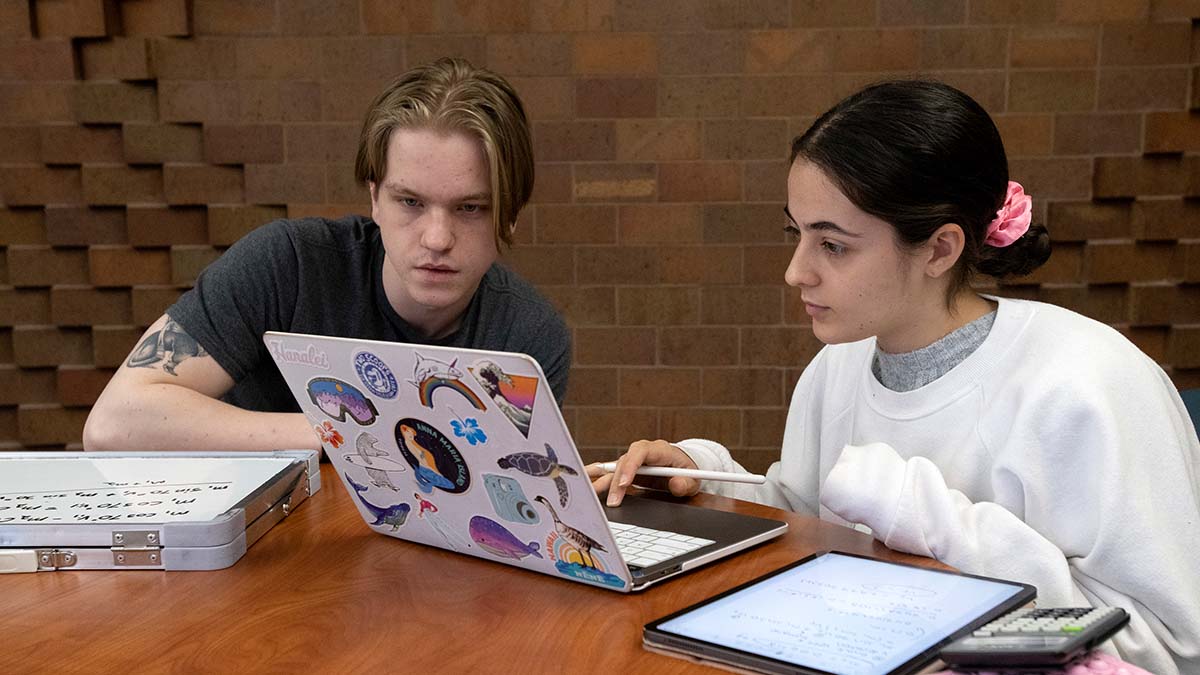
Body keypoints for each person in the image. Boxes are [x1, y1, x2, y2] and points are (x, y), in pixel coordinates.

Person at [590, 81, 1200, 674]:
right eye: (797, 234)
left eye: (833, 245)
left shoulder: (1088, 385)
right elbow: (814, 517)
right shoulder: (839, 365)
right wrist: (700, 479)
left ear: (939, 249)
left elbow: (1169, 649)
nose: (796, 272)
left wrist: (924, 512)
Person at [83, 57, 570, 453]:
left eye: (470, 208)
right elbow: (113, 425)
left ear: (510, 214)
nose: (437, 238)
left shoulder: (527, 340)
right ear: (374, 198)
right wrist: (345, 431)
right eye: (410, 202)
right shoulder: (288, 265)